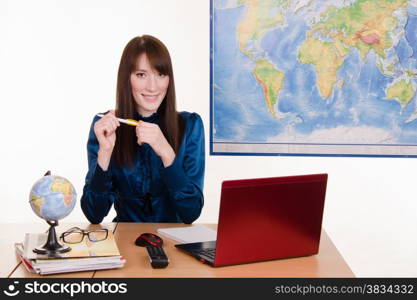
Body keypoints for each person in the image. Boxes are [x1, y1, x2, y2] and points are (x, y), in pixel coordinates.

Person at [80, 35, 205, 224]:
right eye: (141, 75)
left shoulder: (190, 125)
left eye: (160, 74)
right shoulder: (107, 125)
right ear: (127, 79)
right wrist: (105, 154)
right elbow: (94, 214)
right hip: (124, 243)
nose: (152, 86)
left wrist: (167, 154)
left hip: (173, 244)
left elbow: (191, 213)